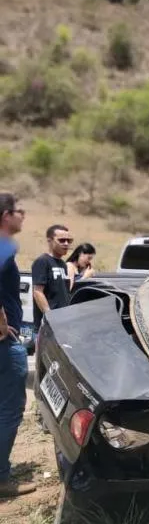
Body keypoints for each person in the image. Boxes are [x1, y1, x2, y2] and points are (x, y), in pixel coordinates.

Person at [0, 192, 37, 498]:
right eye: (19, 210)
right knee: (10, 408)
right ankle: (1, 478)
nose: (23, 215)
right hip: (3, 343)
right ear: (5, 216)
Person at [32, 224, 73, 338]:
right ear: (50, 241)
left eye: (69, 241)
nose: (66, 244)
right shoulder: (42, 261)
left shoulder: (63, 264)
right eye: (62, 240)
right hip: (48, 327)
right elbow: (38, 292)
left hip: (62, 325)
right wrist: (50, 316)